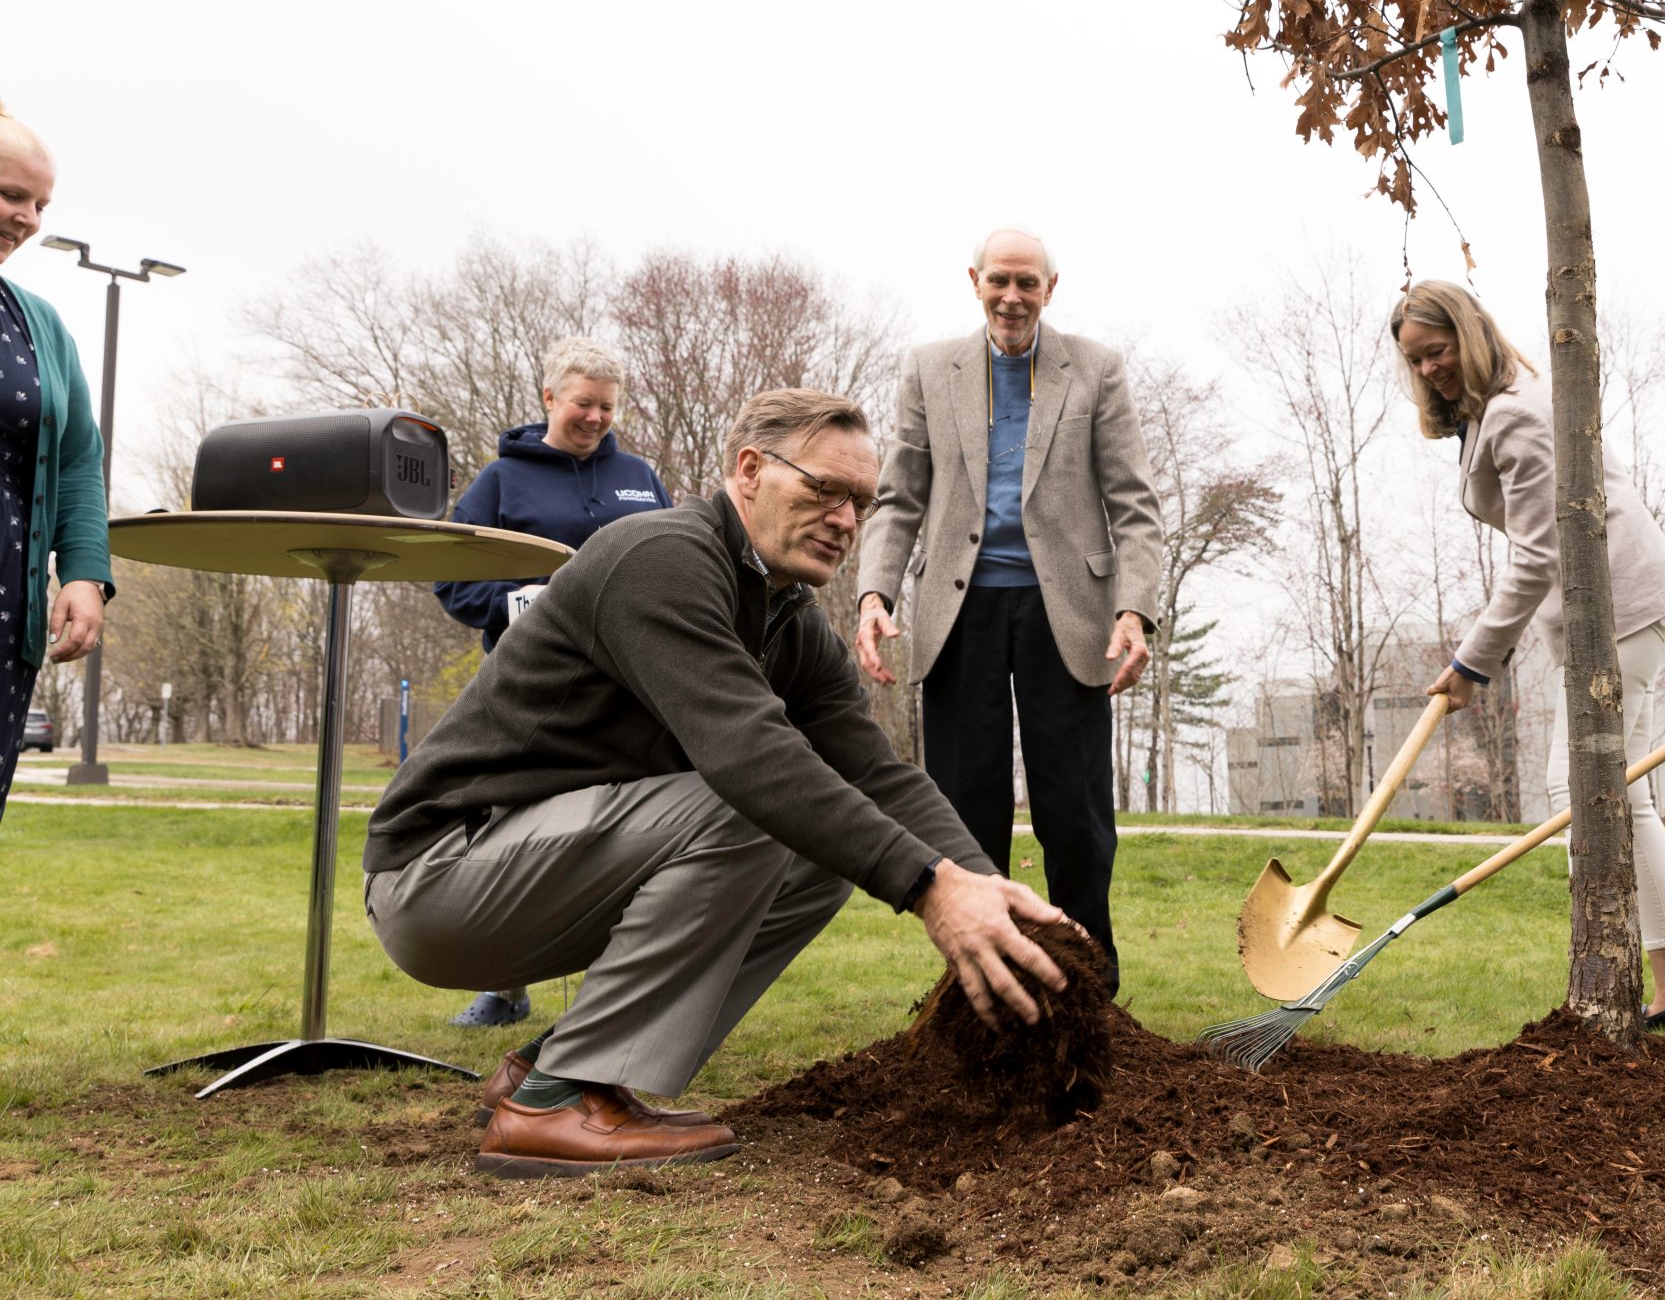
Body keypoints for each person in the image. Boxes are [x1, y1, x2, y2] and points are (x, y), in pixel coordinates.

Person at [366, 389, 1069, 1177]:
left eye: (862, 503)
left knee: (822, 856)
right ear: (749, 471)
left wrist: (988, 896)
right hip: (439, 876)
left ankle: (547, 1067)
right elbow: (750, 757)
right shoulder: (659, 559)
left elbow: (876, 775)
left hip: (535, 871)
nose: (845, 519)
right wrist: (928, 890)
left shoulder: (788, 620)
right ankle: (555, 1105)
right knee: (757, 804)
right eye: (824, 490)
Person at [1389, 280, 1665, 1028]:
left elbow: (1536, 558)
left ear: (1469, 333)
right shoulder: (1493, 408)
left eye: (1436, 352)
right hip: (1604, 609)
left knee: (1594, 793)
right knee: (1608, 793)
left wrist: (1473, 662)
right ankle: (1663, 985)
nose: (1429, 370)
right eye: (1415, 361)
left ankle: (1664, 984)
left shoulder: (1519, 413)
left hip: (1620, 602)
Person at [853, 228, 1163, 991]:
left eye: (1028, 283)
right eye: (1000, 281)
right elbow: (899, 498)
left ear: (1050, 288)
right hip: (960, 617)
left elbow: (1135, 505)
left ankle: (1091, 987)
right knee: (962, 816)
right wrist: (873, 592)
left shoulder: (1096, 369)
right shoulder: (931, 370)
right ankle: (977, 985)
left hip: (1070, 615)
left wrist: (1134, 611)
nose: (1012, 296)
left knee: (1077, 819)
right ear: (975, 281)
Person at [430, 335, 672, 1027]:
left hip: (631, 690)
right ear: (548, 399)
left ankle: (614, 991)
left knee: (625, 836)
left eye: (606, 407)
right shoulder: (499, 483)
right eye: (582, 404)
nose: (595, 418)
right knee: (520, 834)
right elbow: (452, 581)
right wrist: (527, 605)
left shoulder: (639, 477)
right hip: (532, 692)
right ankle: (506, 988)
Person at [0, 104, 109, 809]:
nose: (30, 219)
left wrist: (85, 574)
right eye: (12, 194)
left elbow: (76, 461)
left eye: (39, 203)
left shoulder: (39, 324)